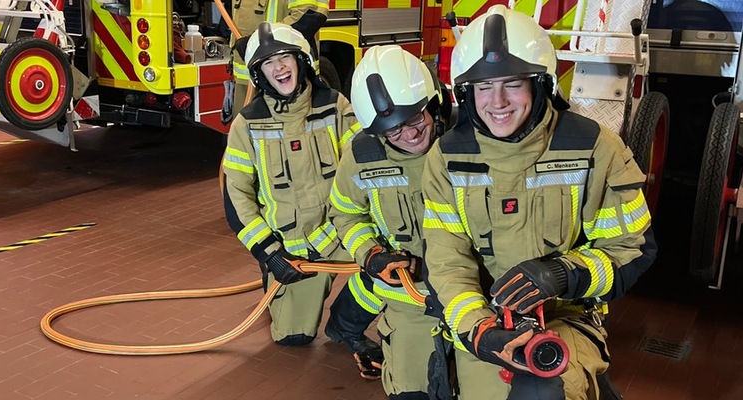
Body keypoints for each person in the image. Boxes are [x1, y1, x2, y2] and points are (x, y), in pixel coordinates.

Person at [421, 5, 657, 400]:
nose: (497, 101)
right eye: (483, 86)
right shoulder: (447, 157)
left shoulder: (595, 148)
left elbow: (632, 249)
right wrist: (479, 328)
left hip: (565, 316)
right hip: (483, 319)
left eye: (512, 84)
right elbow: (447, 260)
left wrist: (563, 274)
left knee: (543, 391)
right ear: (466, 93)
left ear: (541, 84)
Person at [221, 21, 383, 378]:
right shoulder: (247, 124)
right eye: (268, 62)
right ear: (259, 74)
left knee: (389, 270)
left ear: (302, 60)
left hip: (343, 234)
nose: (279, 67)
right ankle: (280, 293)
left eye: (285, 57)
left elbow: (367, 165)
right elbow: (236, 197)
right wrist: (269, 254)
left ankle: (345, 323)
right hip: (294, 253)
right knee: (293, 337)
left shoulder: (335, 106)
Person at [328, 45, 450, 399]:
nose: (409, 135)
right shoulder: (362, 157)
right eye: (393, 131)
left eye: (415, 119)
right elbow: (345, 213)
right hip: (406, 293)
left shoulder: (466, 146)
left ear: (433, 104)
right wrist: (370, 255)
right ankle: (344, 325)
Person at [230, 0, 328, 118]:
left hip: (287, 81)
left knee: (292, 125)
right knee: (246, 125)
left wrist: (257, 42)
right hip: (248, 79)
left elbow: (309, 15)